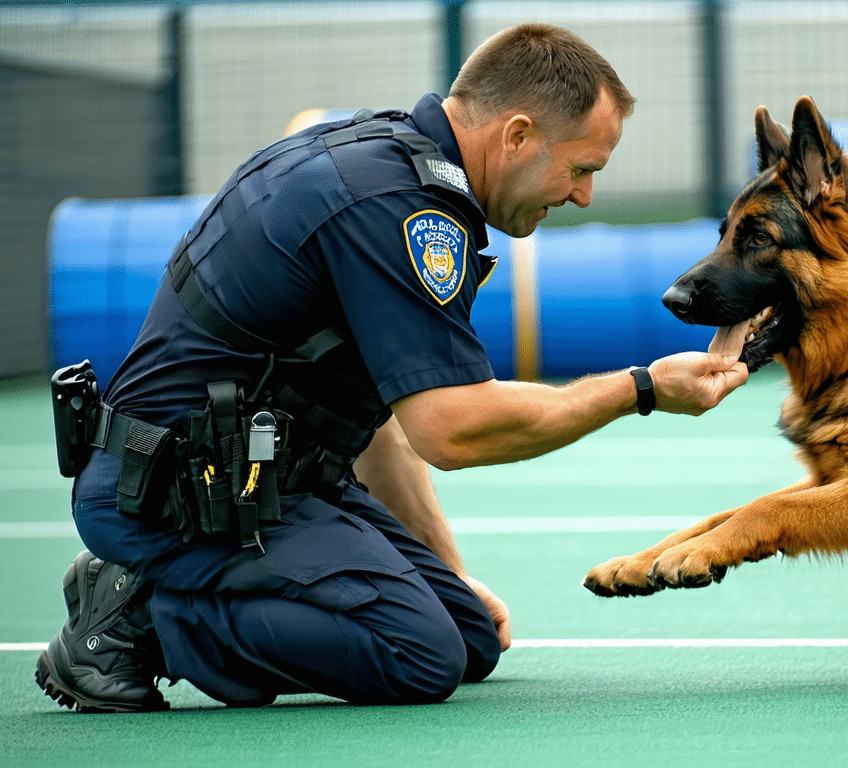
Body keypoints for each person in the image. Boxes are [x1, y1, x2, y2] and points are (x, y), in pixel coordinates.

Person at [36, 23, 749, 713]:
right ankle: (136, 617)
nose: (584, 195)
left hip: (248, 483)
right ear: (518, 135)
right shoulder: (401, 208)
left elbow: (369, 415)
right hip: (171, 500)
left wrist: (450, 577)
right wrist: (641, 389)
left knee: (467, 640)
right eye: (582, 168)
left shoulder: (388, 166)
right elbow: (451, 430)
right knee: (418, 654)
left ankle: (159, 594)